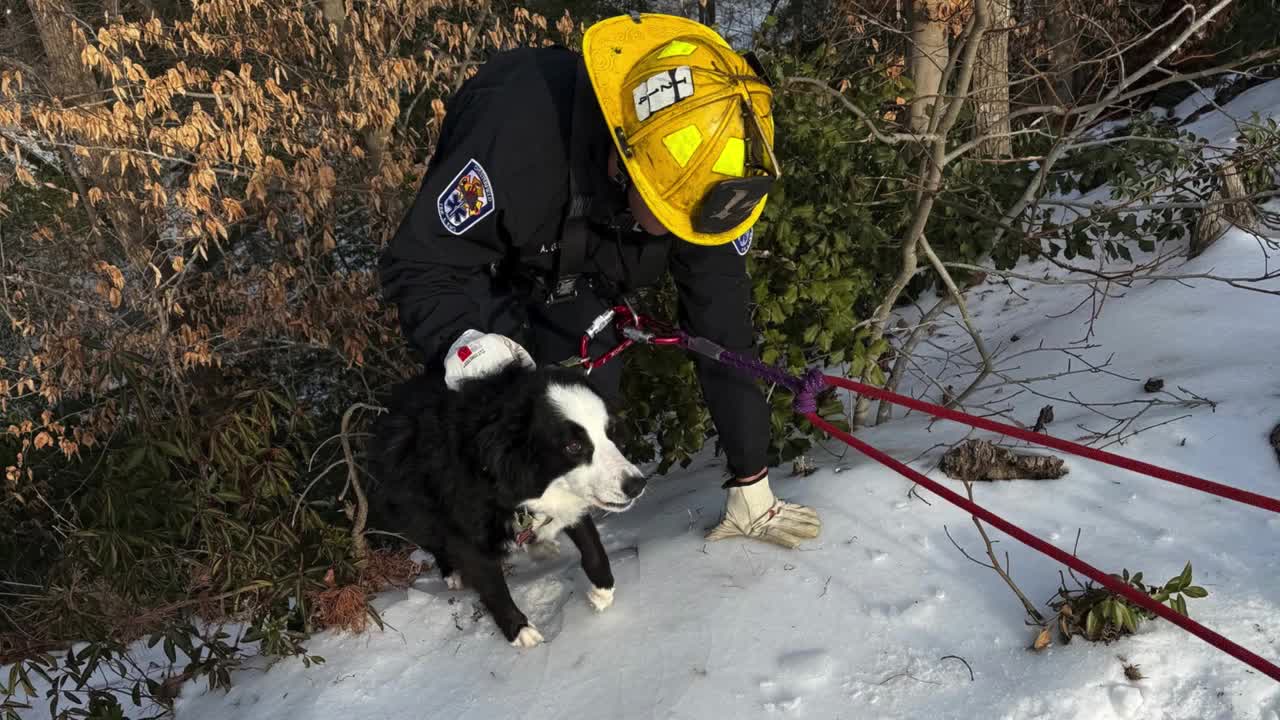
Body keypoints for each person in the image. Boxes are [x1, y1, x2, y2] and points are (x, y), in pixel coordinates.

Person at [379, 13, 820, 548]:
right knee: (502, 401)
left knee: (587, 392)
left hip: (587, 261)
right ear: (628, 163)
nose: (683, 234)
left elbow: (722, 328)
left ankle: (544, 512)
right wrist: (470, 349)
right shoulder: (513, 137)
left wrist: (752, 478)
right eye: (671, 214)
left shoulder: (716, 169)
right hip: (491, 263)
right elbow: (425, 264)